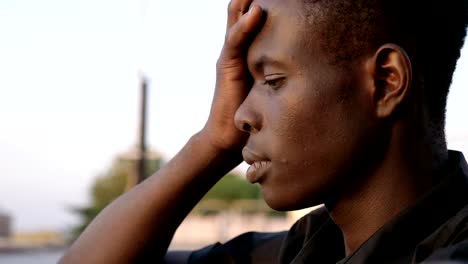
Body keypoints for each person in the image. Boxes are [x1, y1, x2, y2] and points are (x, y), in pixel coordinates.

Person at [60, 0, 468, 263]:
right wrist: (211, 144)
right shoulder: (307, 248)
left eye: (271, 80)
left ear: (385, 81)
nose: (239, 115)